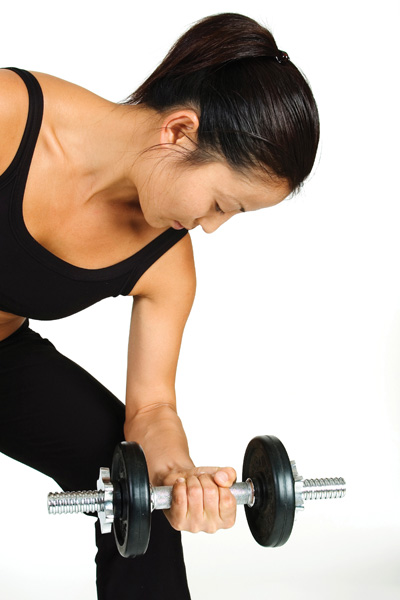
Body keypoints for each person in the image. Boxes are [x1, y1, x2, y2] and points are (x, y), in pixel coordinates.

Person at [0, 12, 319, 600]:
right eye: (223, 203)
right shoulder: (9, 116)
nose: (213, 228)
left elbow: (151, 410)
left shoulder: (167, 263)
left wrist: (180, 481)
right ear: (179, 132)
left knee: (138, 493)